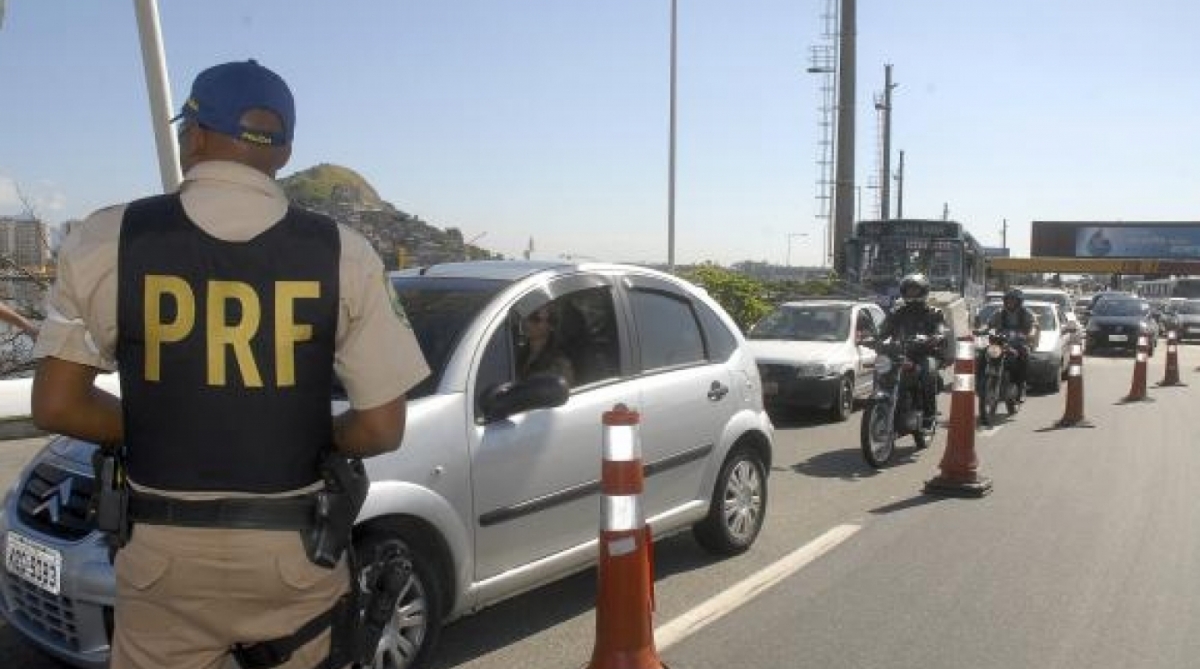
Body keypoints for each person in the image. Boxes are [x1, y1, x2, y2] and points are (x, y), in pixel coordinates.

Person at [30, 59, 429, 669]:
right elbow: (380, 427)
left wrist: (167, 425)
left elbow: (57, 404)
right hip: (296, 554)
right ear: (286, 150)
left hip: (162, 558)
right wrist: (295, 433)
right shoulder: (345, 254)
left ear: (192, 134)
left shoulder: (107, 238)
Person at [877, 273, 947, 431]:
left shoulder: (934, 313)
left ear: (923, 291)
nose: (911, 293)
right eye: (908, 290)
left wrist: (937, 336)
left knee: (928, 373)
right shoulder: (897, 312)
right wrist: (875, 339)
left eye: (915, 290)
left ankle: (929, 415)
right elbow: (884, 331)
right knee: (882, 369)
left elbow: (941, 329)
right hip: (901, 353)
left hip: (925, 353)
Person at [986, 287, 1039, 401]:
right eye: (1008, 299)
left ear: (1019, 301)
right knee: (984, 353)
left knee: (1024, 354)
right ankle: (983, 382)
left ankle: (1020, 387)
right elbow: (989, 324)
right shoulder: (999, 313)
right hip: (1002, 343)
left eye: (1013, 300)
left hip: (1019, 343)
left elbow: (1034, 325)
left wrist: (1031, 334)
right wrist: (982, 330)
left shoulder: (1026, 313)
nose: (1010, 302)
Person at [517, 303, 575, 385]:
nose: (528, 322)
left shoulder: (559, 363)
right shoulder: (519, 353)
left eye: (536, 319)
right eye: (528, 317)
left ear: (551, 326)